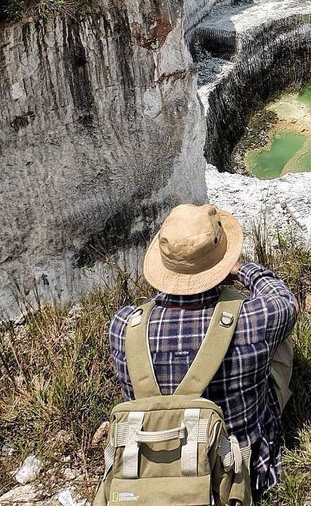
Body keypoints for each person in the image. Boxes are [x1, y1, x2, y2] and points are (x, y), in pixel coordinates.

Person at [108, 203, 297, 502]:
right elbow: (284, 300)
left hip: (148, 476)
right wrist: (241, 270)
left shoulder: (123, 326)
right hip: (238, 474)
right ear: (221, 259)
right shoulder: (254, 320)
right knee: (279, 340)